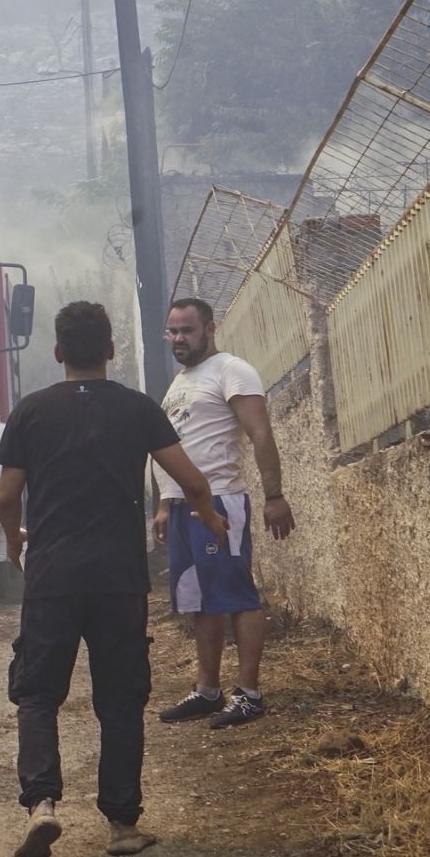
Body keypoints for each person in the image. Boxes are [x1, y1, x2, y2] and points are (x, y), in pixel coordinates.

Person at [0, 301, 227, 857]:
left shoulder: (32, 412)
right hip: (119, 579)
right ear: (111, 351)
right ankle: (123, 824)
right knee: (120, 699)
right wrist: (213, 519)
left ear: (57, 354)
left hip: (51, 577)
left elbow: (6, 496)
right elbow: (192, 481)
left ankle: (42, 804)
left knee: (38, 694)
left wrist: (14, 539)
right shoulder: (137, 409)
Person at [152, 298, 298, 729]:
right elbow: (175, 445)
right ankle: (208, 691)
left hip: (218, 502)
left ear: (210, 329)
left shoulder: (232, 369)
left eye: (187, 331)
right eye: (172, 331)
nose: (178, 339)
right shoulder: (180, 382)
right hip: (182, 508)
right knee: (200, 601)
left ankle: (250, 695)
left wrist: (275, 495)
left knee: (237, 596)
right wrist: (164, 504)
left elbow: (259, 432)